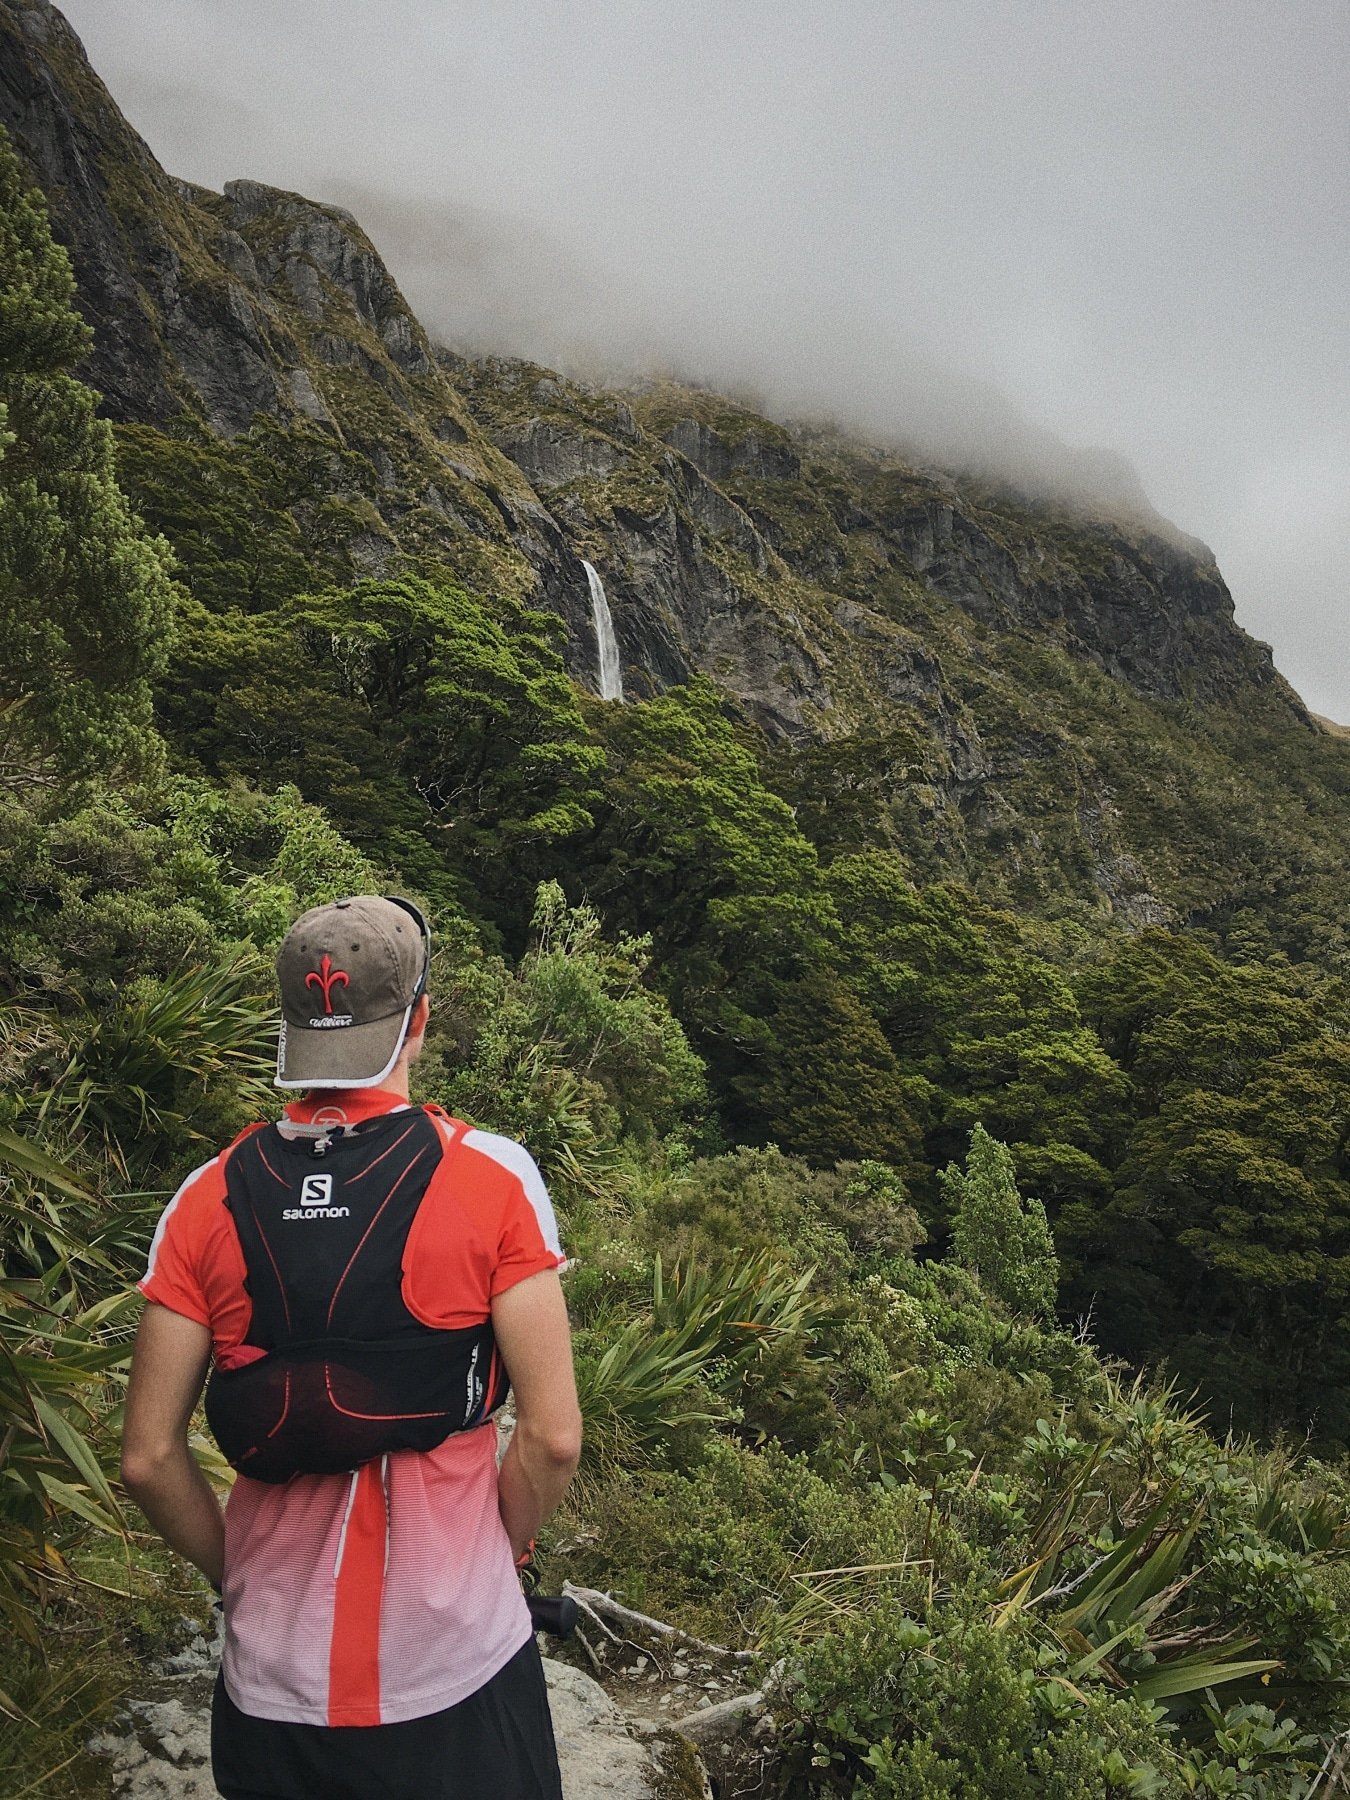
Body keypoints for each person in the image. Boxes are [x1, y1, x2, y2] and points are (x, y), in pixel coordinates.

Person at [121, 895, 582, 1800]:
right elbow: (553, 1438)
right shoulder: (492, 1176)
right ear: (418, 1019)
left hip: (272, 1695)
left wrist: (240, 1575)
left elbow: (146, 1457)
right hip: (455, 1670)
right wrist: (503, 1551)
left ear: (291, 1022)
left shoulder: (205, 1197)